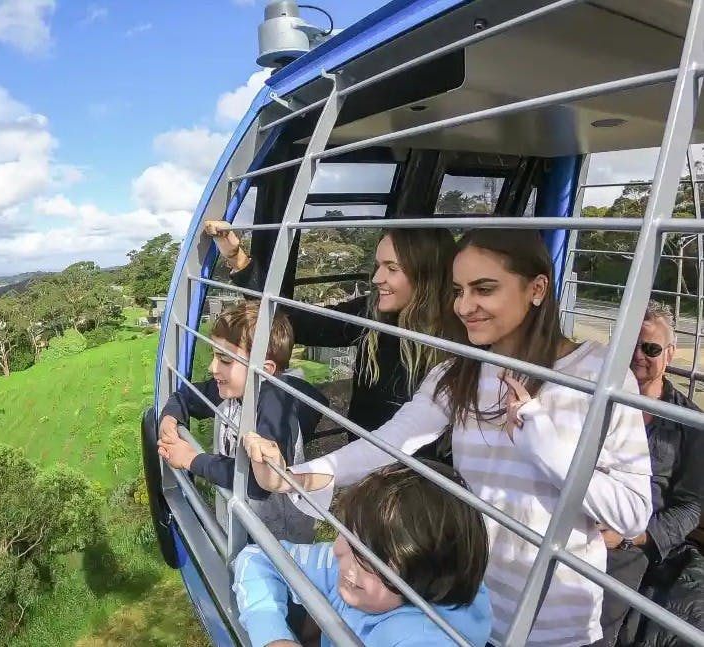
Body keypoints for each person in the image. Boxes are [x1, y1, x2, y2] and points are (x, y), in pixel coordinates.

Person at [243, 229, 654, 646]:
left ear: (537, 288)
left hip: (554, 624)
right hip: (464, 612)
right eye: (458, 290)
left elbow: (633, 514)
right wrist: (296, 475)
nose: (464, 306)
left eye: (484, 289)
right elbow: (393, 440)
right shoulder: (457, 372)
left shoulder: (599, 374)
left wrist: (548, 448)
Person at [205, 221, 460, 446]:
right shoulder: (370, 314)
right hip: (364, 462)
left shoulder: (459, 339)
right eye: (378, 265)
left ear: (427, 275)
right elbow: (298, 322)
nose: (376, 278)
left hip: (421, 477)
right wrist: (237, 258)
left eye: (392, 269)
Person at [233, 460, 493, 647]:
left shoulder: (422, 638)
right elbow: (259, 557)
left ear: (423, 570)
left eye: (363, 550)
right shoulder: (357, 574)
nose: (337, 550)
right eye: (345, 533)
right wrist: (273, 636)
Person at [157, 300, 328, 543]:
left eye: (225, 360)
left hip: (276, 545)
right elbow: (185, 397)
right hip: (241, 527)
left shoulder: (276, 404)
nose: (212, 367)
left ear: (265, 370)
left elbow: (259, 482)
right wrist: (170, 418)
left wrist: (192, 459)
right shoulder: (235, 387)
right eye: (215, 356)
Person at [599, 301, 704, 646]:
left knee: (596, 619)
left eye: (651, 348)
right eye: (630, 345)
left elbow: (690, 507)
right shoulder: (597, 400)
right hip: (583, 518)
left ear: (670, 354)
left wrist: (632, 537)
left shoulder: (689, 425)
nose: (639, 355)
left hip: (633, 542)